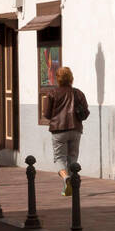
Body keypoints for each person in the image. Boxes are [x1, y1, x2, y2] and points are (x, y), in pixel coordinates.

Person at [41, 66, 89, 195]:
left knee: (59, 158)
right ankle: (70, 187)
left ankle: (66, 178)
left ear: (58, 79)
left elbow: (46, 114)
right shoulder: (78, 93)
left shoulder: (52, 93)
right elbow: (85, 113)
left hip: (59, 130)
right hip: (75, 129)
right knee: (72, 157)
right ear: (71, 78)